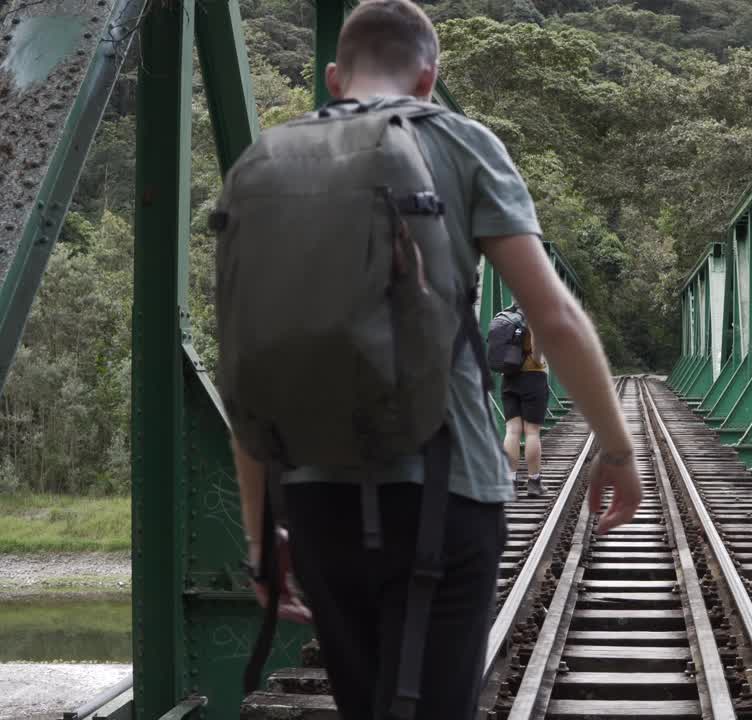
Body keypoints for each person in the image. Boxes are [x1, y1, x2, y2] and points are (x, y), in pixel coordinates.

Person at [226, 2, 643, 718]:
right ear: (428, 77)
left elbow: (251, 358)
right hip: (445, 491)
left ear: (333, 78)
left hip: (316, 498)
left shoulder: (266, 162)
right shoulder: (461, 143)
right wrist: (615, 449)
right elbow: (554, 315)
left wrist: (261, 536)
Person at [501, 302, 550, 497]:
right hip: (533, 377)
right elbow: (537, 342)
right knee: (531, 432)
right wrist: (538, 360)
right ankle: (534, 482)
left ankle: (510, 481)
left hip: (509, 377)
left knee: (512, 431)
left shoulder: (506, 314)